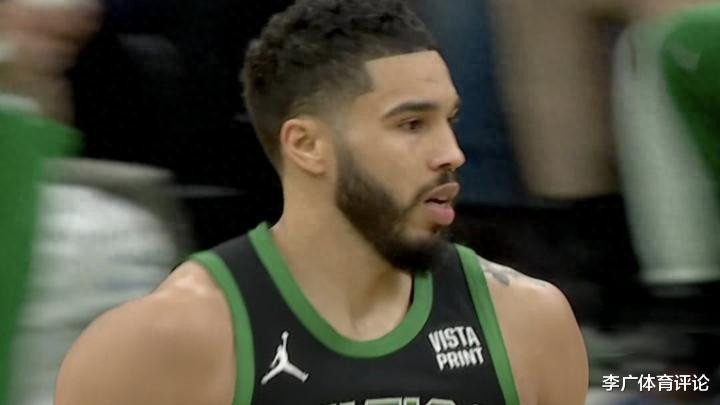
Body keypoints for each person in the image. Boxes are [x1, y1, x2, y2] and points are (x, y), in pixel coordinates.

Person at [55, 1, 588, 404]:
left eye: (448, 121)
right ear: (308, 146)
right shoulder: (166, 342)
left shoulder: (528, 320)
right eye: (411, 125)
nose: (452, 153)